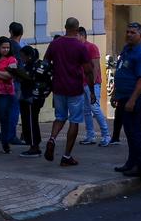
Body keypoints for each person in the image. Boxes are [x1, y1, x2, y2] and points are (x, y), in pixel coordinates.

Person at [43, 17, 93, 167]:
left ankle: (52, 138)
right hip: (75, 88)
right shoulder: (80, 47)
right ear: (77, 30)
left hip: (58, 86)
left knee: (59, 117)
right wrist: (92, 91)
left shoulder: (55, 44)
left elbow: (46, 62)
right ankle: (66, 156)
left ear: (65, 27)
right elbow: (88, 70)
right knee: (74, 120)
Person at [113, 22, 141, 177]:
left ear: (140, 36)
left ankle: (139, 166)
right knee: (129, 131)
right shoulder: (126, 51)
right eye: (127, 31)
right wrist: (116, 92)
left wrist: (132, 100)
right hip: (123, 97)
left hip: (135, 98)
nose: (129, 34)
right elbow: (122, 71)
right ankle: (131, 162)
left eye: (132, 33)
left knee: (136, 131)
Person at [15, 46, 52, 157]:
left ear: (29, 56)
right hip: (27, 96)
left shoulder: (40, 66)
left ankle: (34, 146)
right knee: (28, 120)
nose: (22, 59)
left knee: (31, 121)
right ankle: (32, 143)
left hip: (34, 97)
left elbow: (41, 80)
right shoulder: (28, 66)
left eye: (23, 57)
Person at [77, 27, 111, 147]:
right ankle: (90, 136)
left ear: (82, 35)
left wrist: (93, 84)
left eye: (76, 36)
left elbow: (96, 66)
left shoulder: (91, 47)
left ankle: (106, 135)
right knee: (86, 110)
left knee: (95, 108)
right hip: (84, 84)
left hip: (92, 84)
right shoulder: (79, 48)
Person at [6, 21, 25, 144]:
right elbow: (20, 66)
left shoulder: (5, 45)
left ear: (11, 32)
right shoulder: (18, 48)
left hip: (4, 80)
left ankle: (4, 134)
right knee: (14, 109)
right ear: (21, 33)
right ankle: (11, 136)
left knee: (6, 109)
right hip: (16, 81)